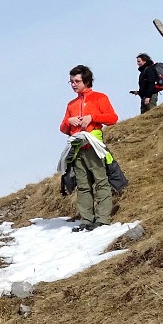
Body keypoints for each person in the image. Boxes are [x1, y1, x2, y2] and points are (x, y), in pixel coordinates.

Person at [59, 65, 119, 231]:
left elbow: (113, 118)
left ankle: (103, 219)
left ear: (86, 81)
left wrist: (92, 117)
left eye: (76, 81)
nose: (73, 84)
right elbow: (63, 129)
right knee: (83, 185)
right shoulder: (71, 104)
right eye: (71, 81)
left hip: (94, 145)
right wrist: (68, 122)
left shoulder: (100, 97)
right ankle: (87, 220)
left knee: (101, 181)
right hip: (76, 147)